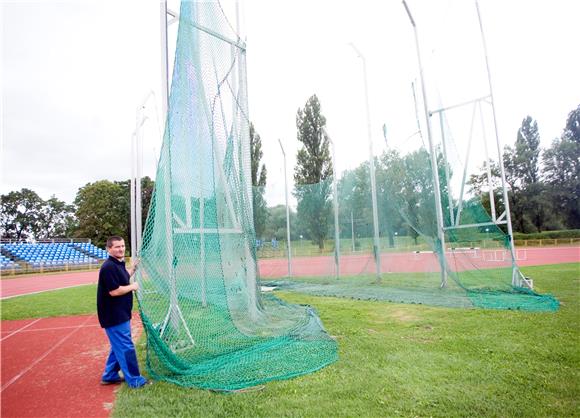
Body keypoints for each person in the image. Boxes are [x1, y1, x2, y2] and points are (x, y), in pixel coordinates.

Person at [97, 236, 150, 388]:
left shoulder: (118, 264)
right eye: (117, 247)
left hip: (121, 313)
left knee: (117, 346)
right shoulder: (108, 267)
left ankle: (110, 375)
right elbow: (114, 291)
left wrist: (133, 269)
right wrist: (133, 287)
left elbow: (123, 279)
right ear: (109, 249)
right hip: (114, 316)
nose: (121, 249)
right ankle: (135, 380)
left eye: (122, 246)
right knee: (126, 346)